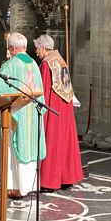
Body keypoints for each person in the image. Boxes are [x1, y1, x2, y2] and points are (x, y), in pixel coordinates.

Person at [0, 32, 46, 198]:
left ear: (12, 48)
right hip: (32, 114)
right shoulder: (34, 64)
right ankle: (29, 185)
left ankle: (13, 186)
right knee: (28, 147)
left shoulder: (11, 64)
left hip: (16, 115)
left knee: (13, 148)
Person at [33, 34, 83, 191]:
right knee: (64, 142)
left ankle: (50, 181)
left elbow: (43, 90)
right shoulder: (61, 61)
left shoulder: (47, 64)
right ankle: (66, 178)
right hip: (64, 108)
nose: (36, 52)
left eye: (37, 48)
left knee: (53, 142)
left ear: (43, 47)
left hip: (52, 109)